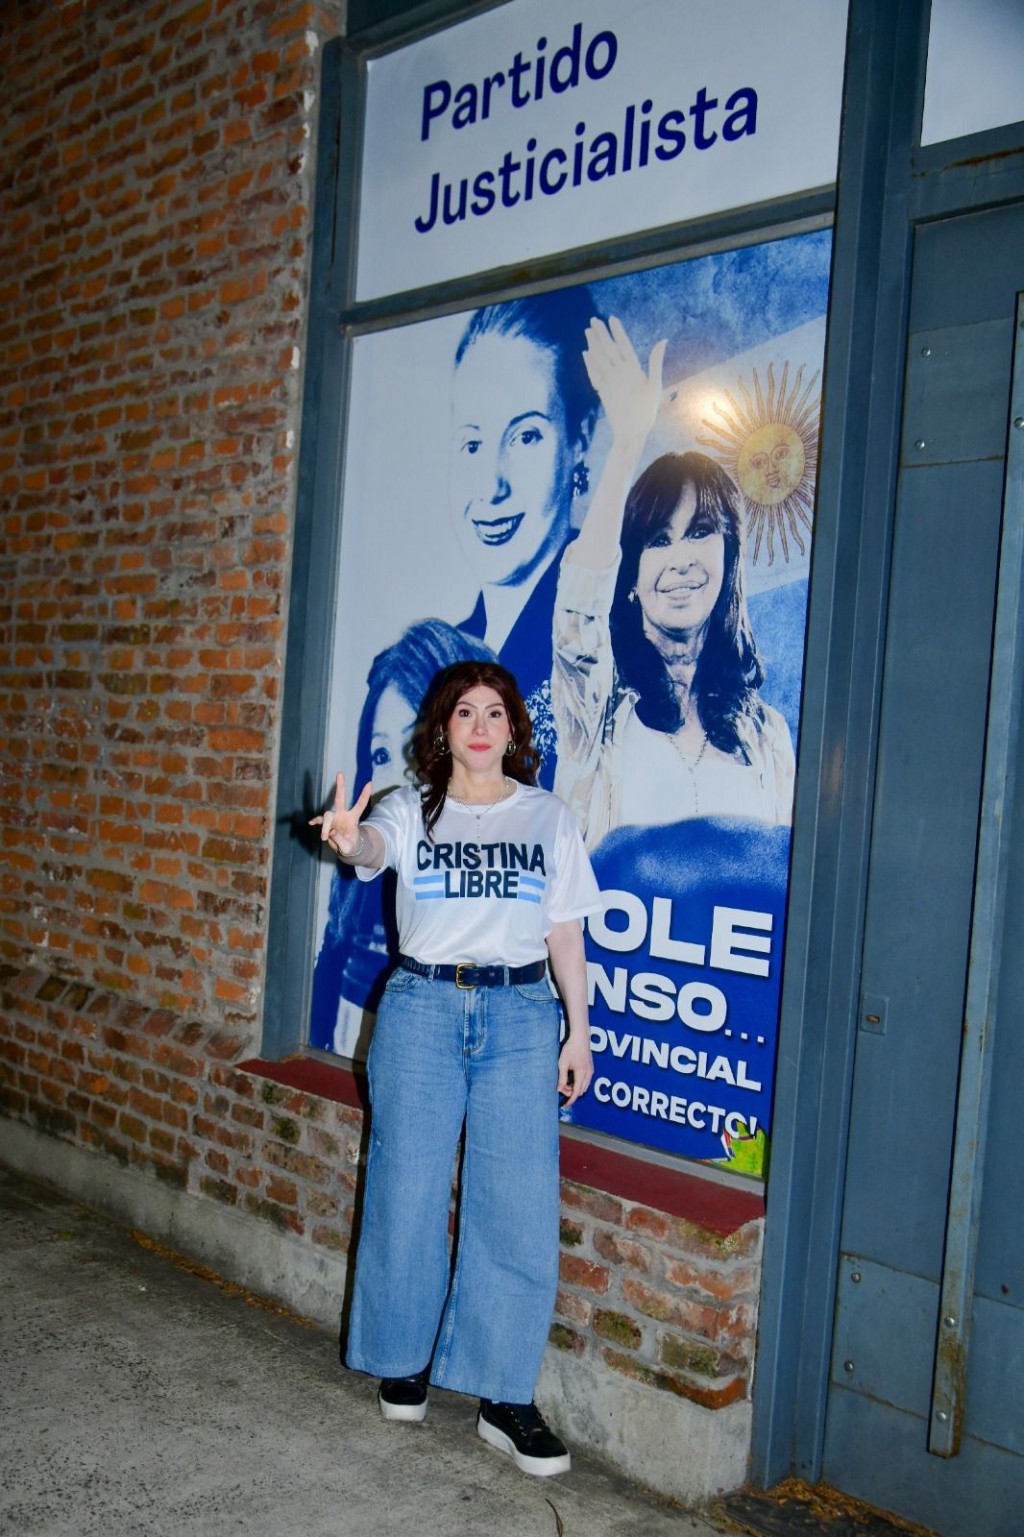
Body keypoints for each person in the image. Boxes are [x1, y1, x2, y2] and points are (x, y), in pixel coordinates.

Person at [311, 661, 602, 1476]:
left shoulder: (547, 815)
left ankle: (503, 1394)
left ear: (514, 728)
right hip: (423, 1009)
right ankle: (403, 1358)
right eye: (464, 711)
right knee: (405, 1184)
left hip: (519, 1014)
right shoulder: (411, 808)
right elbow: (371, 847)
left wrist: (579, 1033)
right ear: (442, 728)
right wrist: (349, 838)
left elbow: (565, 933)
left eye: (495, 712)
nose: (480, 725)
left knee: (516, 1202)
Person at [553, 316, 795, 847]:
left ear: (729, 556)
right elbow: (578, 609)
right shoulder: (597, 709)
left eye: (700, 532)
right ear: (630, 575)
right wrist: (628, 442)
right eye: (659, 540)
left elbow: (783, 878)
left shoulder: (768, 736)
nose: (681, 560)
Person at [309, 620, 494, 1057]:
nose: (396, 779)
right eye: (381, 755)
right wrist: (355, 846)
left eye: (415, 750)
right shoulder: (360, 900)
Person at [452, 289, 601, 776]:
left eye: (525, 436)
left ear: (580, 438)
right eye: (472, 443)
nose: (491, 485)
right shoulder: (438, 656)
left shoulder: (610, 634)